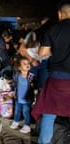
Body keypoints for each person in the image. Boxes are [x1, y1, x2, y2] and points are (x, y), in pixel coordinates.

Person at [31, 1, 70, 143]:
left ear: (60, 14)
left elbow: (42, 53)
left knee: (49, 112)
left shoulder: (53, 29)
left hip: (57, 79)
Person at [10, 56, 37, 134]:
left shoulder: (31, 76)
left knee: (26, 112)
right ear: (19, 67)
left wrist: (34, 85)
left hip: (27, 99)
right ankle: (16, 121)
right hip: (18, 98)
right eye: (24, 64)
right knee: (17, 111)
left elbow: (36, 85)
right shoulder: (17, 75)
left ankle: (27, 125)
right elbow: (14, 85)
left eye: (28, 63)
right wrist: (13, 93)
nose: (27, 65)